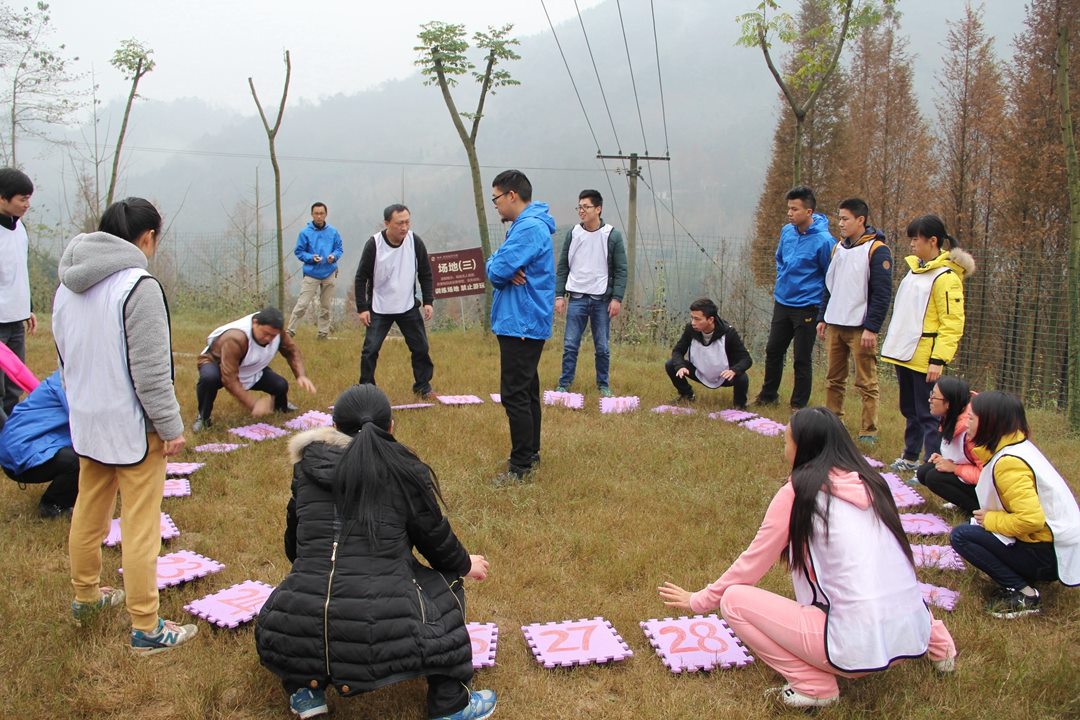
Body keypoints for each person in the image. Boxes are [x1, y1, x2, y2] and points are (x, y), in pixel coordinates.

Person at [659, 407, 956, 709]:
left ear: (803, 447)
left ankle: (812, 685)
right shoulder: (875, 484)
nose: (785, 448)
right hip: (912, 635)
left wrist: (700, 600)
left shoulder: (798, 492)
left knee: (733, 600)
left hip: (850, 648)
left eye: (787, 441)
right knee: (884, 573)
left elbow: (752, 563)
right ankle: (943, 650)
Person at [255, 385, 496, 720]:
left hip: (289, 625)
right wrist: (465, 564)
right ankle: (450, 703)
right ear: (391, 427)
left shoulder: (306, 471)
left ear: (334, 426)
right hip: (382, 628)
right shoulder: (404, 470)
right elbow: (436, 543)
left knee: (305, 595)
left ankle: (305, 690)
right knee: (447, 588)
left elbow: (294, 548)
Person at [53, 197, 198, 654]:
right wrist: (171, 426)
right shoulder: (139, 286)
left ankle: (86, 597)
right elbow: (151, 372)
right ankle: (146, 627)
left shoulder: (66, 287)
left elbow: (64, 359)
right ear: (148, 238)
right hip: (133, 427)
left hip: (87, 421)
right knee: (140, 525)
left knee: (89, 510)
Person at [949, 391, 1080, 618]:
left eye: (972, 417)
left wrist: (990, 519)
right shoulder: (1016, 446)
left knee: (962, 535)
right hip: (1053, 545)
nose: (966, 422)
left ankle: (1025, 593)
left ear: (990, 421)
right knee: (975, 528)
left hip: (1049, 554)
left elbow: (1031, 519)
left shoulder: (1009, 463)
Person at [881, 215, 975, 472]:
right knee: (910, 409)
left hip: (925, 357)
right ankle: (910, 456)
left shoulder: (946, 278)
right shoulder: (915, 271)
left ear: (932, 241)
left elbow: (952, 322)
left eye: (915, 239)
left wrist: (938, 359)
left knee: (929, 414)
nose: (911, 244)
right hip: (904, 354)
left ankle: (930, 465)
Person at [486, 170, 555, 485]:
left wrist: (501, 268)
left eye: (496, 199)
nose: (496, 206)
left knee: (514, 394)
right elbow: (497, 264)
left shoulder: (527, 228)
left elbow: (497, 269)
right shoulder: (526, 226)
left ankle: (519, 468)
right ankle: (531, 453)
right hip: (523, 319)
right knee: (526, 392)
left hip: (521, 321)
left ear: (512, 195)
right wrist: (499, 266)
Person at [815, 198, 892, 443]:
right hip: (836, 323)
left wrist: (872, 327)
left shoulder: (877, 250)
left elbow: (882, 293)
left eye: (845, 218)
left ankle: (868, 430)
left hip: (860, 328)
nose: (841, 223)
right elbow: (830, 284)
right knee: (834, 379)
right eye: (839, 218)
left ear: (861, 220)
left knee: (866, 381)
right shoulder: (839, 248)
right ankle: (832, 421)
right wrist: (822, 317)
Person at [753, 186, 834, 410]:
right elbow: (779, 257)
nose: (790, 213)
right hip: (783, 301)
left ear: (808, 212)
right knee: (773, 350)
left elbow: (830, 275)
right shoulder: (787, 232)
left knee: (801, 358)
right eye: (788, 208)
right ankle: (768, 396)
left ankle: (798, 405)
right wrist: (783, 279)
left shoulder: (825, 241)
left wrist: (822, 311)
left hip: (808, 306)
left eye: (794, 209)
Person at [354, 204, 436, 398]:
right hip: (379, 306)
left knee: (421, 347)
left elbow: (425, 273)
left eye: (407, 222)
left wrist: (428, 301)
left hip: (407, 305)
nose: (404, 227)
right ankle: (367, 389)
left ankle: (423, 387)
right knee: (370, 350)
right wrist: (362, 308)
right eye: (400, 223)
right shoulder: (374, 244)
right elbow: (361, 278)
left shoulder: (415, 242)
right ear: (387, 223)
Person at [553, 189, 627, 397]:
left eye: (586, 207)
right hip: (576, 298)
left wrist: (617, 298)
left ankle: (603, 385)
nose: (581, 211)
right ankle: (564, 383)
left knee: (602, 346)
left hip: (601, 300)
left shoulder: (612, 235)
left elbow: (621, 269)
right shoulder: (573, 233)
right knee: (570, 344)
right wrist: (559, 295)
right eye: (579, 207)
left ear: (598, 209)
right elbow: (562, 266)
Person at [194, 307, 316, 431]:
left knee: (280, 385)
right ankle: (203, 417)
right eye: (265, 334)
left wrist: (301, 375)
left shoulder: (277, 333)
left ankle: (280, 407)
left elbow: (291, 351)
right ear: (255, 323)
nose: (269, 339)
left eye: (273, 336)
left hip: (249, 366)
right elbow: (229, 379)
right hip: (218, 363)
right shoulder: (236, 338)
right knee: (209, 378)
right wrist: (253, 404)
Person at [0, 369, 79, 518]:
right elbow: (87, 422)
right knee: (81, 460)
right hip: (22, 452)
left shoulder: (74, 375)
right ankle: (52, 504)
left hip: (32, 444)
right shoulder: (69, 382)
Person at [665, 297, 752, 408]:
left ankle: (740, 406)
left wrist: (734, 370)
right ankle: (687, 395)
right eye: (692, 318)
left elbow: (746, 359)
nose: (693, 323)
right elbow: (677, 351)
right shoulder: (690, 329)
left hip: (723, 375)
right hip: (699, 371)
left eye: (697, 319)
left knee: (742, 377)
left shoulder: (729, 333)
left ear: (710, 320)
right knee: (671, 364)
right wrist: (680, 366)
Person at [0, 167, 37, 417]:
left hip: (15, 319)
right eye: (22, 199)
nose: (27, 204)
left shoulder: (19, 227)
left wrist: (27, 307)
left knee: (14, 386)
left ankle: (9, 440)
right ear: (2, 198)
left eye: (28, 198)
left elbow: (17, 271)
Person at [915, 376, 981, 514]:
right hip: (972, 478)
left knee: (934, 478)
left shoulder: (972, 430)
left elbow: (988, 475)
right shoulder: (953, 416)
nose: (929, 400)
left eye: (934, 397)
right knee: (925, 471)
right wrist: (944, 460)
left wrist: (955, 468)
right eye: (931, 394)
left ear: (949, 403)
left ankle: (978, 511)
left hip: (992, 492)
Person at [288, 202, 343, 340]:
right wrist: (311, 258)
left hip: (329, 272)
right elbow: (299, 252)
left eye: (321, 213)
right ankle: (289, 332)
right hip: (311, 273)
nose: (319, 216)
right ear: (312, 215)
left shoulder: (333, 232)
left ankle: (323, 334)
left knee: (325, 306)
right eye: (316, 213)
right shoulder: (305, 233)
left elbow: (339, 249)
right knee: (302, 304)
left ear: (326, 214)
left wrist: (333, 256)